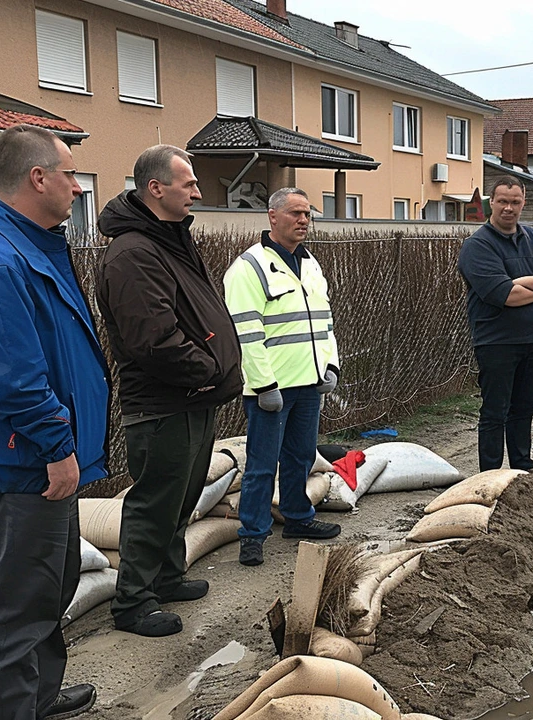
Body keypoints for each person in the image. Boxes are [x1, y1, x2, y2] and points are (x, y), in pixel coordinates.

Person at [0, 123, 108, 719]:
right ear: (37, 178)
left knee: (52, 584)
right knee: (15, 608)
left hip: (40, 457)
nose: (78, 190)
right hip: (25, 464)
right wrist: (57, 448)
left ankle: (38, 695)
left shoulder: (31, 246)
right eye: (70, 176)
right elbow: (14, 379)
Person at [95, 145, 244, 637]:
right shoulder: (134, 252)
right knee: (155, 500)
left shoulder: (169, 240)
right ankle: (133, 601)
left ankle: (166, 575)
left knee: (181, 497)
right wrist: (204, 369)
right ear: (155, 188)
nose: (199, 193)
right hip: (164, 402)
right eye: (189, 184)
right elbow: (152, 339)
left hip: (193, 396)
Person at [223, 187, 342, 566]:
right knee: (261, 463)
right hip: (272, 389)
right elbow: (247, 332)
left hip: (308, 384)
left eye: (307, 214)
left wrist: (330, 365)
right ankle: (253, 534)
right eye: (295, 213)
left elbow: (324, 322)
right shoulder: (249, 268)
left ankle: (297, 517)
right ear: (273, 217)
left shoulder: (311, 265)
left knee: (301, 456)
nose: (303, 220)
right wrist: (263, 385)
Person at [457, 177, 533, 472]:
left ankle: (522, 466)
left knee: (525, 409)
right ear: (491, 202)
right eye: (503, 201)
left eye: (515, 202)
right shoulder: (477, 246)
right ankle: (490, 475)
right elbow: (504, 295)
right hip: (496, 342)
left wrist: (521, 283)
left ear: (523, 203)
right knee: (495, 412)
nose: (509, 208)